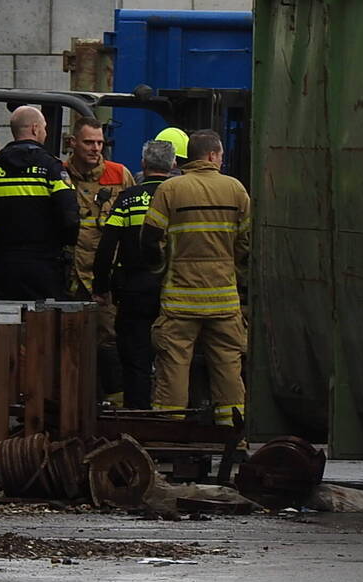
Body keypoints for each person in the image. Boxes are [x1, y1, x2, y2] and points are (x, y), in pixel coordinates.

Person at [143, 130, 250, 426]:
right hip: (224, 299)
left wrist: (161, 269)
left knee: (174, 366)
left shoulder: (170, 189)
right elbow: (247, 244)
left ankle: (170, 432)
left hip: (180, 299)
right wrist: (235, 273)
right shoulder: (236, 190)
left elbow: (151, 240)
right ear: (214, 155)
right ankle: (233, 433)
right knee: (229, 366)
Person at [92, 140, 174, 409]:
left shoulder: (128, 198)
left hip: (134, 291)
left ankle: (138, 419)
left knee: (135, 358)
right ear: (173, 165)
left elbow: (106, 248)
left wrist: (101, 286)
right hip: (173, 291)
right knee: (173, 358)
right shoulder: (179, 195)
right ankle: (170, 415)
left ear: (143, 165)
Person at [65, 116, 134, 404]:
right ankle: (72, 406)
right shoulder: (59, 174)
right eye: (89, 142)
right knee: (68, 345)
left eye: (100, 143)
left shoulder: (119, 174)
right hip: (70, 278)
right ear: (72, 143)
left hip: (105, 279)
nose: (96, 149)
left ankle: (115, 409)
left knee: (108, 343)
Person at [0, 106, 79, 299]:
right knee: (42, 325)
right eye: (45, 128)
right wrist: (63, 245)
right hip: (44, 267)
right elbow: (70, 217)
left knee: (3, 323)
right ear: (36, 129)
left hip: (1, 265)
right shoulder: (51, 168)